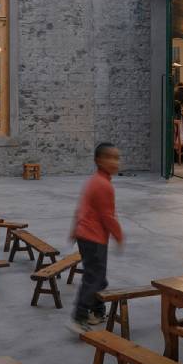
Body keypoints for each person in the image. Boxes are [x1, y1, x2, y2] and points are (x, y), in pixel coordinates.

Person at [67, 142, 124, 333]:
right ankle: (79, 317)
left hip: (86, 235)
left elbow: (82, 207)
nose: (115, 162)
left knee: (98, 277)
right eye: (110, 157)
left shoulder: (95, 181)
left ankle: (97, 312)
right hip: (94, 238)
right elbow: (107, 216)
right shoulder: (103, 185)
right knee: (94, 279)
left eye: (117, 157)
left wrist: (75, 229)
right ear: (98, 160)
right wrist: (119, 235)